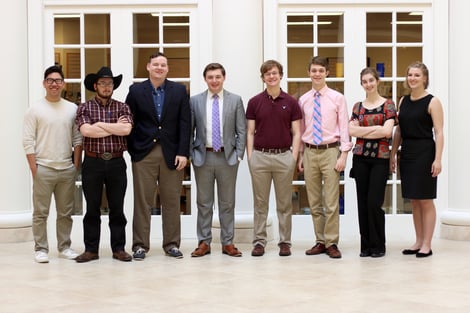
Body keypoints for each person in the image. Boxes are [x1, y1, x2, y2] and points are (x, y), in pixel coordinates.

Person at [126, 52, 191, 260]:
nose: (159, 68)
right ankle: (139, 246)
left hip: (172, 153)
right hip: (144, 153)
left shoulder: (179, 90)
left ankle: (171, 244)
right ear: (148, 67)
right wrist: (133, 149)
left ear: (167, 68)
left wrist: (183, 152)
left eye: (163, 65)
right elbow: (129, 120)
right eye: (156, 65)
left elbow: (185, 123)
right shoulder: (136, 90)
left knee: (171, 200)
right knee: (143, 201)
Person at [23, 65, 82, 263]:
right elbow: (27, 141)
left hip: (66, 169)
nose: (54, 84)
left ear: (63, 84)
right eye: (50, 81)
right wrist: (34, 169)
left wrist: (75, 166)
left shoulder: (72, 109)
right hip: (43, 168)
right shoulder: (35, 109)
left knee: (65, 213)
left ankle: (64, 246)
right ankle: (40, 249)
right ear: (44, 84)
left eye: (57, 81)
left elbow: (77, 140)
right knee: (41, 212)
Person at [75, 66, 134, 263]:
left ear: (113, 86)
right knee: (92, 207)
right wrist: (113, 128)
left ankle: (119, 248)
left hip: (117, 162)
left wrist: (99, 125)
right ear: (95, 86)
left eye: (109, 83)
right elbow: (86, 132)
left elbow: (126, 130)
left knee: (117, 207)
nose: (106, 87)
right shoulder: (84, 107)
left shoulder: (122, 107)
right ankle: (91, 249)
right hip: (92, 161)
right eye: (102, 83)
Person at [189, 63, 247, 257]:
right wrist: (191, 153)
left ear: (224, 78)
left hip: (227, 157)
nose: (214, 80)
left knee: (227, 203)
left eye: (217, 77)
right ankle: (204, 242)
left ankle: (227, 242)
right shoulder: (195, 101)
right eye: (210, 77)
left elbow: (242, 130)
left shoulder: (235, 100)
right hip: (202, 157)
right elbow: (189, 130)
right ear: (205, 79)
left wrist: (238, 154)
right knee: (204, 203)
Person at [298, 56, 352, 259]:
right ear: (309, 73)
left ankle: (332, 242)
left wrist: (343, 155)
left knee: (330, 201)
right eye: (314, 70)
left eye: (321, 70)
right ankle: (320, 241)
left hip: (331, 151)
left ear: (327, 73)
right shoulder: (303, 100)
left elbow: (345, 129)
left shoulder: (337, 98)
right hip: (310, 151)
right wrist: (301, 156)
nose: (317, 74)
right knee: (314, 201)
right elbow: (303, 129)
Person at [246, 60, 302, 257]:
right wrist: (251, 157)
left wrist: (293, 157)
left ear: (281, 75)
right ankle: (259, 242)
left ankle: (285, 242)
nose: (271, 76)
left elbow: (297, 133)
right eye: (267, 74)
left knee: (284, 203)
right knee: (260, 203)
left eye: (275, 73)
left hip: (283, 158)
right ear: (263, 78)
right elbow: (250, 132)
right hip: (259, 157)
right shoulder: (254, 102)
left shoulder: (291, 102)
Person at [390, 61, 444, 258]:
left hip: (425, 152)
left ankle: (427, 244)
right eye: (410, 75)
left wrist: (438, 159)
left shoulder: (433, 102)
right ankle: (418, 240)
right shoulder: (403, 101)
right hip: (408, 152)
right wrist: (394, 153)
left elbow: (439, 132)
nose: (412, 78)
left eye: (416, 75)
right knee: (413, 200)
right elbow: (399, 130)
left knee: (425, 200)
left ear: (425, 78)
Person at [349, 67, 397, 258]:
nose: (368, 84)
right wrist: (375, 129)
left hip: (380, 159)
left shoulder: (388, 105)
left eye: (371, 80)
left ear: (377, 81)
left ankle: (378, 245)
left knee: (374, 202)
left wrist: (363, 131)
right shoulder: (357, 107)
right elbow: (351, 131)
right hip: (360, 158)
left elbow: (387, 132)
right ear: (361, 84)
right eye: (364, 81)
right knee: (362, 202)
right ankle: (365, 246)